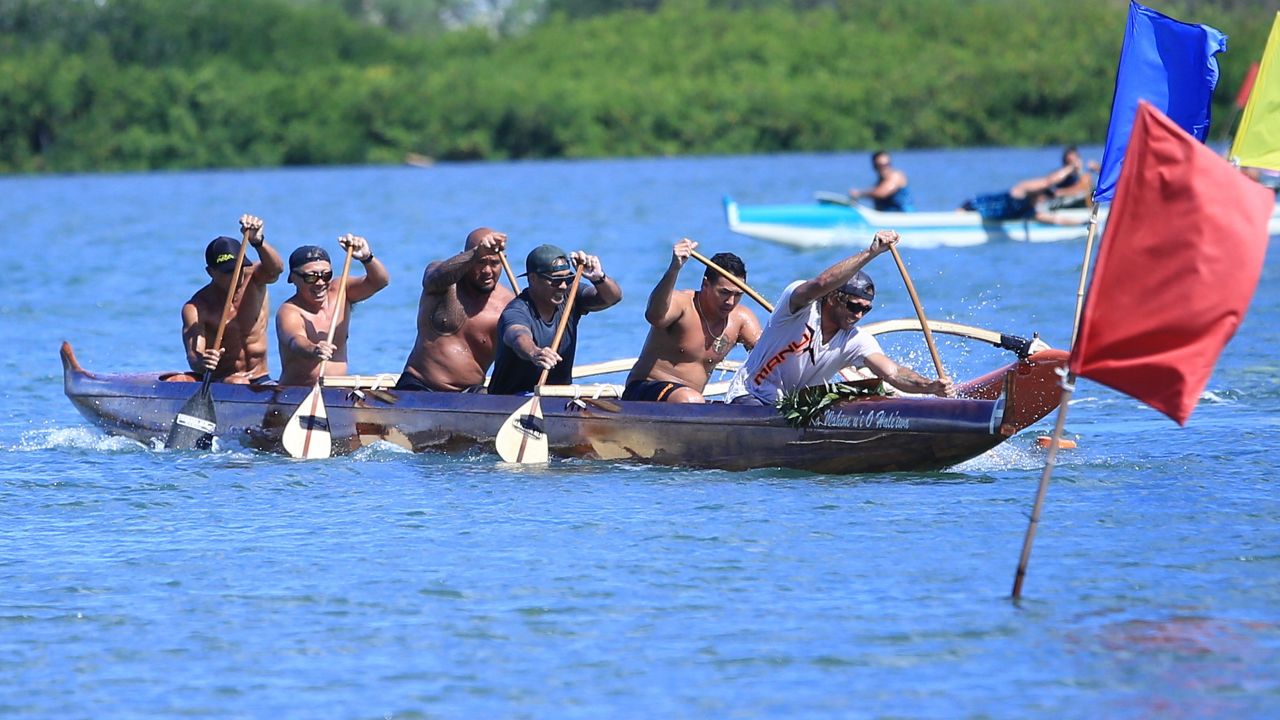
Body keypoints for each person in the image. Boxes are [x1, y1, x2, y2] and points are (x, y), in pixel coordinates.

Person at [725, 230, 953, 406]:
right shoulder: (796, 309)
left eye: (866, 310)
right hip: (748, 396)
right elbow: (821, 283)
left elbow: (892, 373)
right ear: (833, 298)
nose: (859, 315)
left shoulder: (856, 341)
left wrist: (930, 386)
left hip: (788, 409)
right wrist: (871, 253)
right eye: (854, 306)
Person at [622, 239, 763, 402]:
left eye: (738, 295)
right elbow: (654, 316)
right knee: (691, 399)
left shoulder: (741, 319)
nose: (730, 302)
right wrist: (674, 268)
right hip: (645, 389)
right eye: (724, 292)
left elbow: (770, 354)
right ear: (705, 284)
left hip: (691, 401)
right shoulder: (682, 304)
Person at [487, 244, 622, 395]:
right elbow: (518, 336)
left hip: (559, 395)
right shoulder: (517, 310)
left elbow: (612, 298)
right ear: (533, 279)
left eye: (568, 278)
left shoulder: (571, 296)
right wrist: (535, 353)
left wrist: (598, 277)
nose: (563, 286)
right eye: (556, 280)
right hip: (512, 397)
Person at [396, 227, 516, 392]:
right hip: (418, 385)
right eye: (480, 261)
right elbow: (433, 279)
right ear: (465, 257)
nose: (487, 271)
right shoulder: (442, 280)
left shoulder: (510, 304)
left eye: (494, 263)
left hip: (470, 394)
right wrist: (476, 252)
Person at [181, 214, 285, 384]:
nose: (237, 276)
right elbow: (194, 356)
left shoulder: (254, 278)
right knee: (237, 382)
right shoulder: (197, 307)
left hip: (260, 378)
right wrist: (203, 361)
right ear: (210, 272)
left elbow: (276, 269)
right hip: (223, 382)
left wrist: (258, 241)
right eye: (228, 272)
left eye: (239, 268)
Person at [276, 234, 390, 386]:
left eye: (326, 275)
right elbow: (295, 341)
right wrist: (314, 349)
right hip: (297, 392)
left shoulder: (341, 290)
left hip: (338, 390)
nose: (320, 283)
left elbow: (380, 282)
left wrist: (366, 257)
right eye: (310, 277)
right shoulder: (289, 311)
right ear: (293, 278)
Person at [960, 146, 1096, 224]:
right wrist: (1072, 167)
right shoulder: (1022, 190)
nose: (1043, 200)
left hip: (991, 219)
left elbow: (1057, 219)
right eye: (1044, 196)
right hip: (973, 205)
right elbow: (1049, 182)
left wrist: (1083, 223)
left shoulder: (1031, 211)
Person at [849, 150, 914, 212]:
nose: (884, 169)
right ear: (874, 166)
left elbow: (882, 193)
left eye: (886, 165)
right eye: (880, 166)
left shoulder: (896, 176)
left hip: (904, 218)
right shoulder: (879, 183)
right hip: (886, 219)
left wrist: (860, 193)